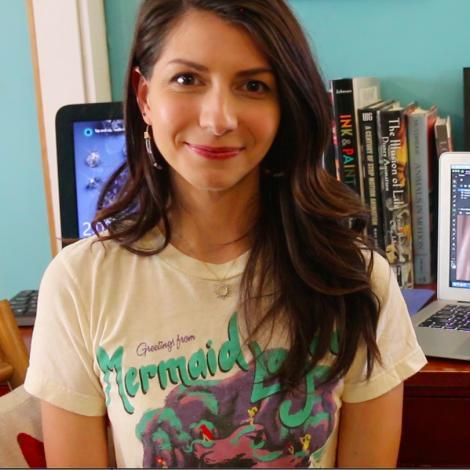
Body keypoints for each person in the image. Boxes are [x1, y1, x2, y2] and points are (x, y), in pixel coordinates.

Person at [24, 0, 427, 467]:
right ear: (144, 96)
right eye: (187, 79)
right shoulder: (79, 284)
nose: (219, 120)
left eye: (253, 85)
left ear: (285, 106)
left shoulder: (357, 280)